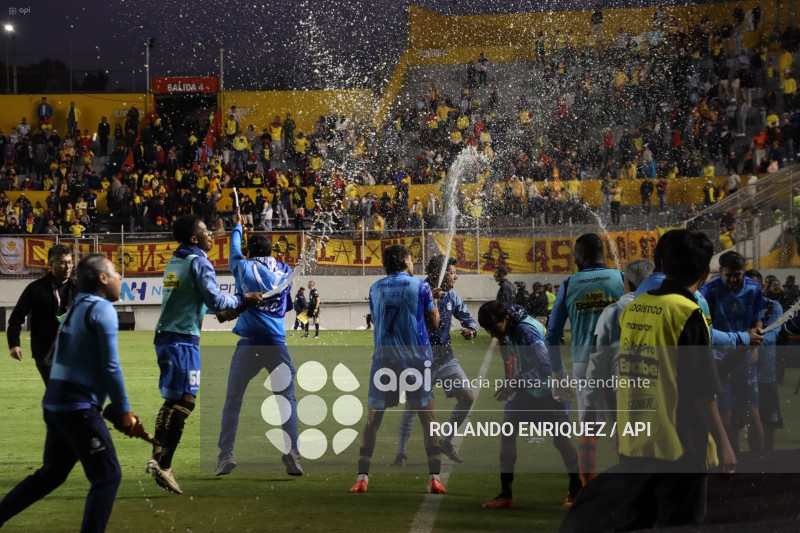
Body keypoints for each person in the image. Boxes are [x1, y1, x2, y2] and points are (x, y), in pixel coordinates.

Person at [0, 254, 141, 533]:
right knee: (108, 477)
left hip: (54, 402)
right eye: (115, 273)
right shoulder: (102, 310)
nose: (120, 278)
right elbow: (110, 366)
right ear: (102, 278)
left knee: (51, 474)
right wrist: (124, 409)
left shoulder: (77, 306)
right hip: (77, 407)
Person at [616, 230, 736, 530]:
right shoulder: (686, 312)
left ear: (663, 266)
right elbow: (700, 391)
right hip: (679, 447)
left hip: (635, 442)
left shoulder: (633, 309)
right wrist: (724, 443)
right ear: (706, 273)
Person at [146, 214, 261, 495]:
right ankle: (165, 465)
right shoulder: (199, 261)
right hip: (183, 340)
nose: (212, 233)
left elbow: (201, 302)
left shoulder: (176, 260)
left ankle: (157, 458)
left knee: (172, 400)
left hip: (166, 337)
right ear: (194, 238)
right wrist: (243, 299)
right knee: (186, 400)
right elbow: (215, 299)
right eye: (206, 230)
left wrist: (228, 311)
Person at [349, 244, 444, 495]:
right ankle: (435, 477)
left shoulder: (375, 288)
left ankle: (362, 478)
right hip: (415, 360)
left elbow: (379, 317)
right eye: (412, 259)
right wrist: (434, 299)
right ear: (404, 262)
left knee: (372, 421)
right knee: (428, 420)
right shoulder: (420, 287)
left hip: (383, 361)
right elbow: (434, 321)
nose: (414, 264)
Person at [215, 213, 300, 476]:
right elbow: (286, 307)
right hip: (276, 344)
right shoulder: (285, 271)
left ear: (250, 252)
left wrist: (239, 225)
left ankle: (226, 455)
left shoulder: (243, 267)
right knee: (286, 399)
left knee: (233, 400)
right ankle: (293, 452)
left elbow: (232, 250)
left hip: (249, 344)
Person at [477, 301, 581, 509]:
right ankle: (505, 494)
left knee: (560, 441)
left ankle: (577, 490)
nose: (492, 334)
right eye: (488, 330)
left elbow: (546, 367)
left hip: (552, 387)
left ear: (505, 319)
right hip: (529, 386)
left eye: (494, 329)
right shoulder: (511, 325)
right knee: (508, 431)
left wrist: (514, 382)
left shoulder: (525, 332)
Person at [392, 255, 477, 467]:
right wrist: (432, 301)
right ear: (440, 274)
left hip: (445, 358)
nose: (455, 276)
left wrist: (471, 330)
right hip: (419, 362)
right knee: (413, 406)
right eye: (451, 273)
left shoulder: (453, 296)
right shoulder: (417, 292)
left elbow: (467, 318)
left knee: (467, 396)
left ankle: (446, 441)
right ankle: (401, 453)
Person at [581, 258, 654, 486]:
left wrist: (592, 402)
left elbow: (599, 364)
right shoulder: (666, 309)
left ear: (628, 284)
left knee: (630, 460)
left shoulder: (612, 313)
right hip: (662, 396)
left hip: (625, 396)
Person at [545, 233, 624, 438]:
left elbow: (553, 332)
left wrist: (557, 374)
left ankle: (588, 470)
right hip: (619, 359)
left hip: (585, 360)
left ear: (582, 255)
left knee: (589, 429)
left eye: (575, 255)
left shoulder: (570, 283)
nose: (574, 259)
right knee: (625, 426)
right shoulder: (621, 278)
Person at [699, 250, 765, 453]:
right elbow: (704, 328)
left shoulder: (753, 288)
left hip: (744, 358)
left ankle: (759, 464)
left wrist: (754, 349)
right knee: (724, 417)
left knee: (752, 414)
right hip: (719, 358)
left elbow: (758, 320)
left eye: (738, 275)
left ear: (743, 271)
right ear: (721, 271)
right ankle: (733, 462)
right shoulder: (708, 290)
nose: (734, 279)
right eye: (729, 275)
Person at [7, 244, 77, 384]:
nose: (67, 267)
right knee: (59, 394)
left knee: (73, 396)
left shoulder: (78, 287)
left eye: (70, 262)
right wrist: (14, 344)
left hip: (74, 351)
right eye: (62, 263)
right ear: (50, 264)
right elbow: (16, 317)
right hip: (46, 353)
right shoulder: (36, 289)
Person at [744, 270, 784, 451]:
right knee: (740, 423)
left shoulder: (773, 307)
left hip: (766, 376)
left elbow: (772, 336)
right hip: (743, 375)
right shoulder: (737, 309)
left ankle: (767, 468)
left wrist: (751, 343)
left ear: (761, 287)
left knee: (770, 425)